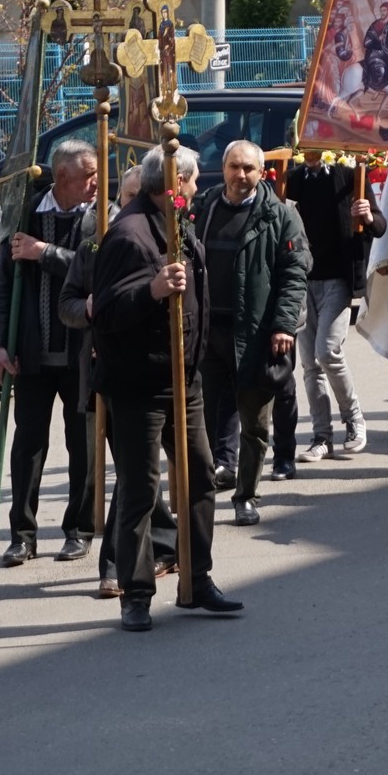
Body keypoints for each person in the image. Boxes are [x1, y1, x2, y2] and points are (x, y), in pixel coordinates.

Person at [93, 146, 244, 631]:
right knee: (140, 490)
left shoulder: (178, 221)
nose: (198, 189)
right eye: (194, 180)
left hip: (185, 380)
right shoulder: (129, 234)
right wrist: (152, 291)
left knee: (200, 477)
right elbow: (108, 313)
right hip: (139, 385)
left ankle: (197, 579)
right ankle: (136, 593)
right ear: (174, 182)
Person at [60, 165, 171, 601]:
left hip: (152, 374)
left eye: (138, 196)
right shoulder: (97, 242)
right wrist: (89, 310)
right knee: (121, 473)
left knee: (135, 476)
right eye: (126, 198)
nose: (132, 206)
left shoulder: (164, 240)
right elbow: (68, 303)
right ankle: (150, 548)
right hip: (104, 374)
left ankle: (116, 565)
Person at [0, 139, 99, 567]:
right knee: (28, 447)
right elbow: (4, 283)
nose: (95, 183)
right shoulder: (25, 212)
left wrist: (45, 253)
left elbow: (97, 271)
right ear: (64, 177)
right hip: (31, 355)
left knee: (83, 447)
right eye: (88, 176)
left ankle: (79, 529)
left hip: (80, 355)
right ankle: (23, 534)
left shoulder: (99, 217)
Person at [191, 140, 311, 528]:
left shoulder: (280, 216)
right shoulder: (203, 208)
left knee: (255, 422)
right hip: (208, 333)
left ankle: (246, 496)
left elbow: (294, 274)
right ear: (222, 168)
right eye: (234, 167)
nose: (240, 176)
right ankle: (204, 491)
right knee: (205, 418)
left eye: (249, 169)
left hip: (256, 336)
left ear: (263, 174)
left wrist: (283, 325)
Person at [284, 150, 387, 463]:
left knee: (327, 350)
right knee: (309, 363)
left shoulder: (349, 174)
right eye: (304, 149)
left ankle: (354, 418)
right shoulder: (292, 179)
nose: (311, 156)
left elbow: (380, 225)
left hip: (338, 279)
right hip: (301, 280)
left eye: (317, 147)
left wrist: (367, 215)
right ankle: (321, 436)